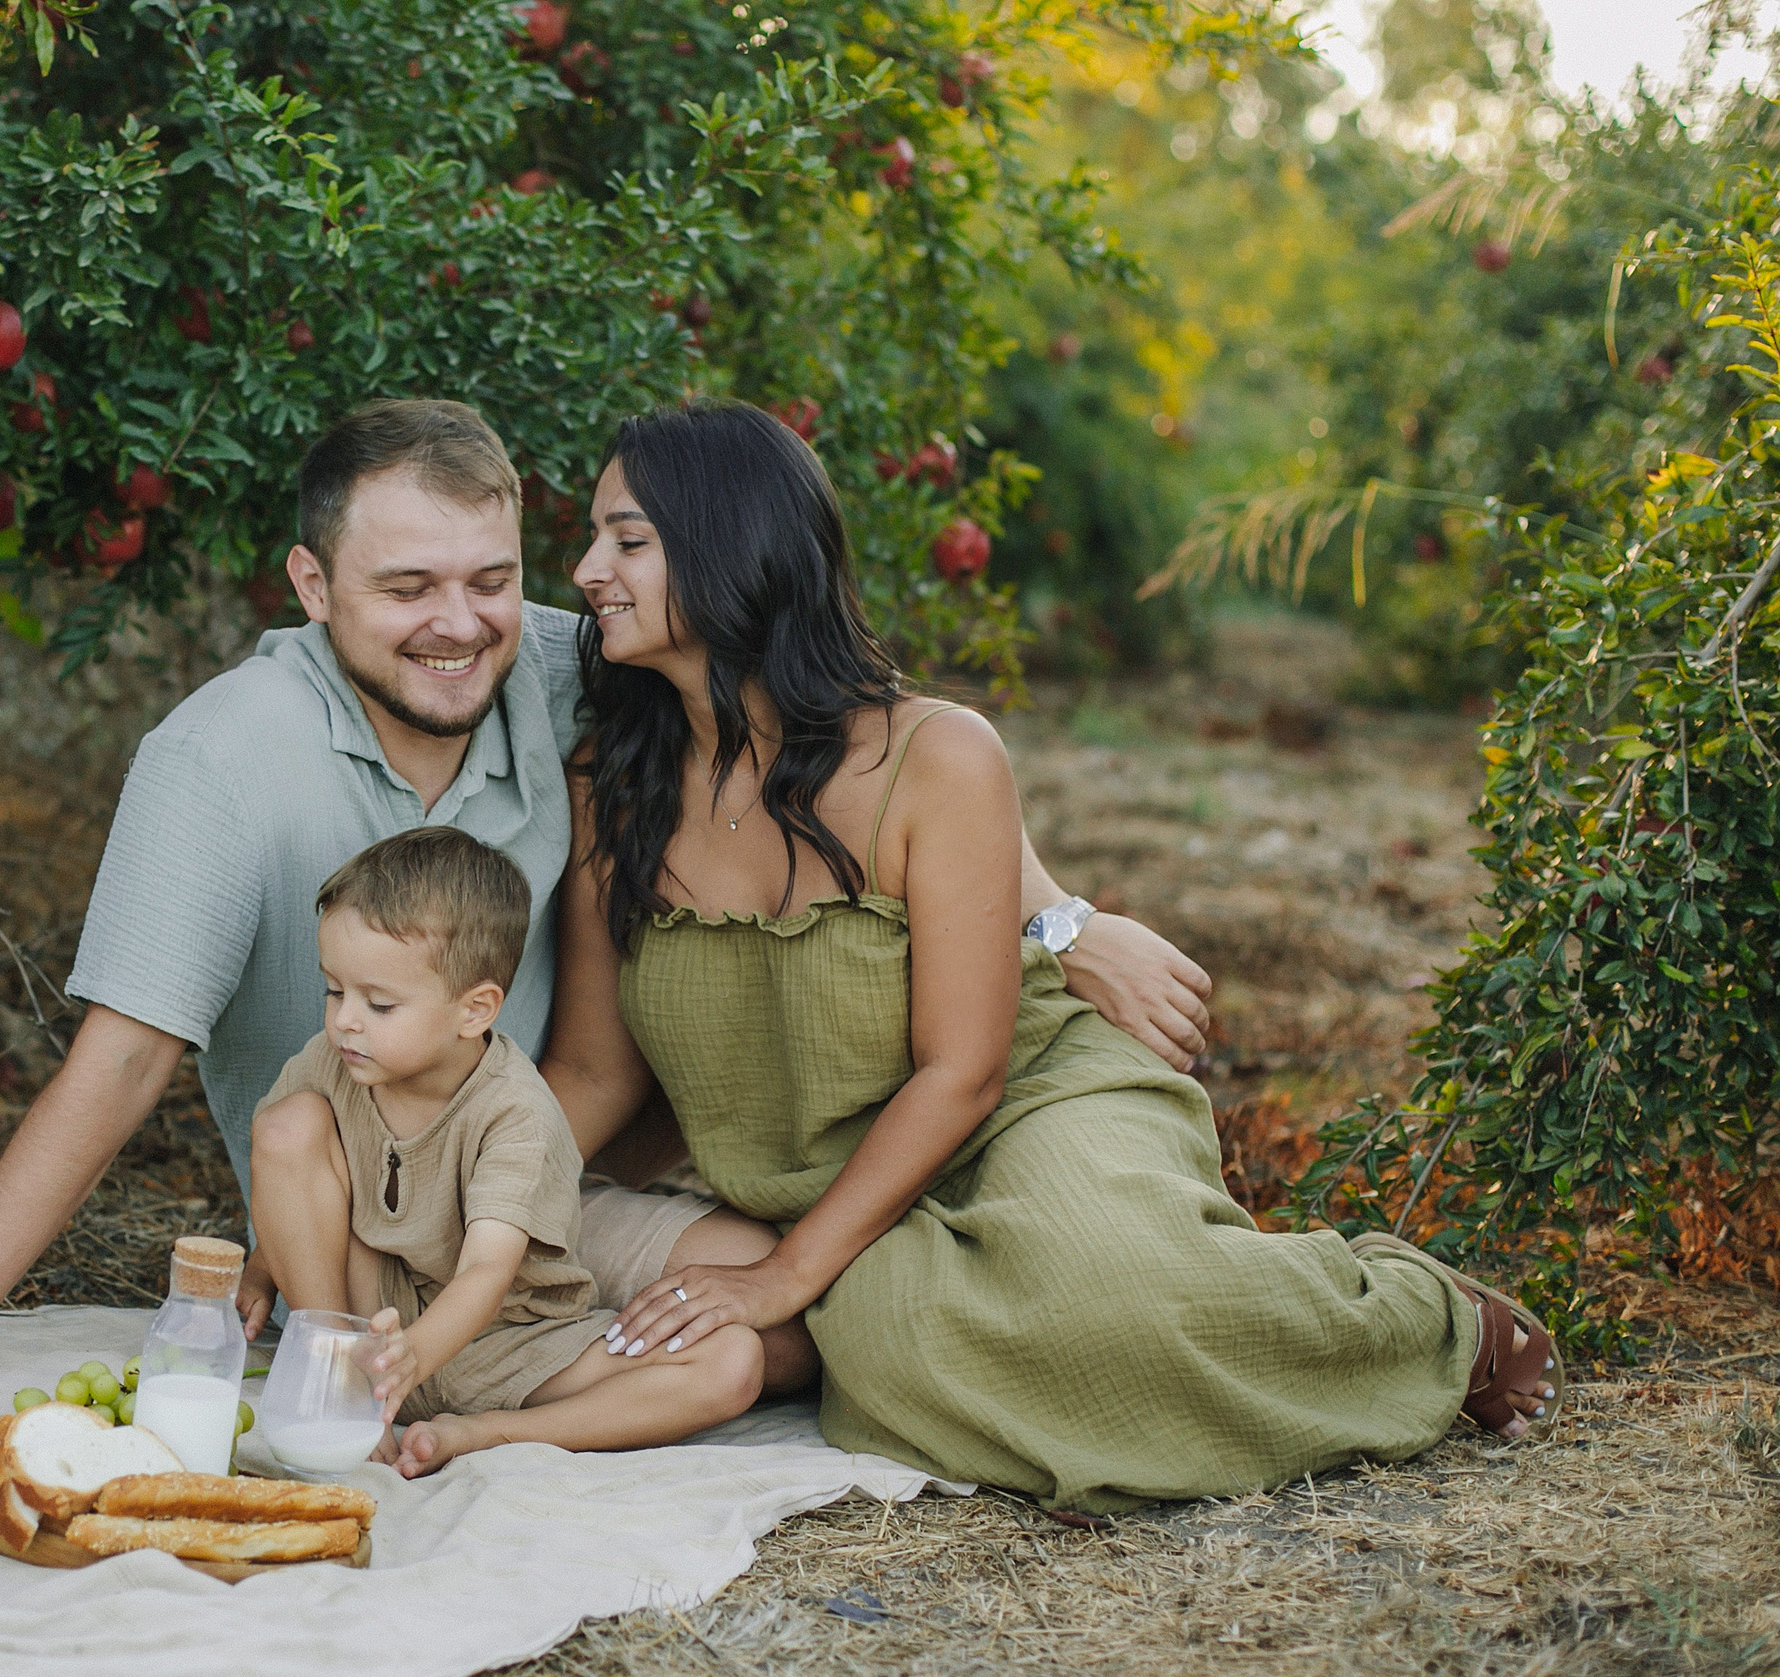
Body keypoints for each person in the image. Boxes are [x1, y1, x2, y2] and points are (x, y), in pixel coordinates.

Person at [0, 398, 1214, 1393]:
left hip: (643, 1154)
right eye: (408, 588)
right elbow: (119, 1058)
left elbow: (851, 729)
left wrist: (1063, 914)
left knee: (868, 1304)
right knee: (833, 1325)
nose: (462, 623)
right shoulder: (219, 767)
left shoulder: (573, 661)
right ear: (313, 586)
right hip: (422, 1197)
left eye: (494, 576)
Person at [538, 397, 1559, 1514]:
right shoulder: (612, 785)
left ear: (733, 544)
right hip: (835, 1174)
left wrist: (783, 1273)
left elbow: (963, 1071)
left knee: (1118, 1301)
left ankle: (1424, 1322)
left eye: (627, 539)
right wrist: (469, 1210)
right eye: (595, 537)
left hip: (1028, 1101)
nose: (589, 568)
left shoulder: (932, 755)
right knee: (887, 1358)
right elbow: (594, 1071)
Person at [251, 826, 761, 1477]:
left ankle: (492, 1434)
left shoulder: (515, 1110)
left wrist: (416, 1355)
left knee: (733, 1359)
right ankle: (340, 1384)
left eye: (378, 1002)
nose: (345, 1019)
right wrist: (263, 1270)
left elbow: (487, 1274)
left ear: (475, 1009)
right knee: (286, 1125)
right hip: (374, 1318)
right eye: (334, 989)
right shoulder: (334, 1061)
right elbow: (294, 1174)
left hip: (508, 1342)